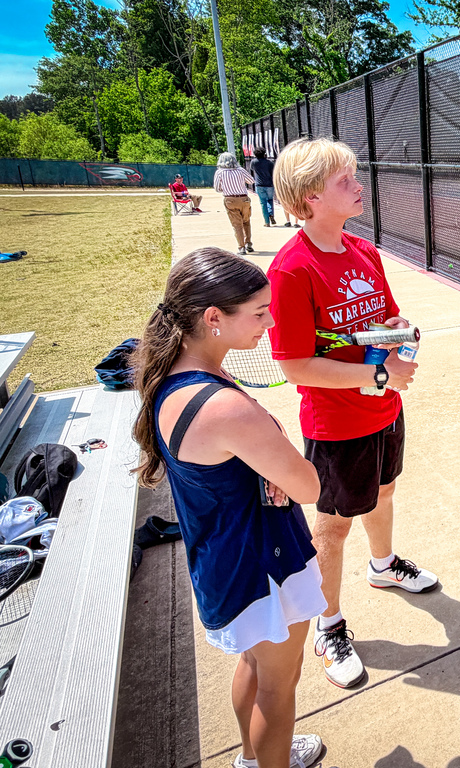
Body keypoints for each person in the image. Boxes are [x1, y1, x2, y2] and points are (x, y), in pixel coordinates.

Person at [131, 247, 329, 768]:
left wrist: (267, 468)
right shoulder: (223, 407)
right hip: (260, 565)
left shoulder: (172, 379)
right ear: (212, 318)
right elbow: (309, 485)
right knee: (278, 690)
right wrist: (282, 467)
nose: (270, 322)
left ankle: (251, 758)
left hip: (224, 562)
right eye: (259, 312)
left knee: (257, 666)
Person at [267, 138, 438, 691]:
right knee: (333, 529)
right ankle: (329, 622)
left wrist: (400, 339)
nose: (360, 185)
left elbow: (382, 320)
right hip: (337, 424)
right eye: (347, 180)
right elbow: (295, 365)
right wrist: (378, 374)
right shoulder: (291, 270)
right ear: (311, 196)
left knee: (385, 493)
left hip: (385, 409)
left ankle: (384, 567)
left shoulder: (364, 252)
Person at [214, 152, 256, 256]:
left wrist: (226, 187)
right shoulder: (241, 170)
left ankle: (241, 247)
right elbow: (251, 181)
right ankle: (248, 243)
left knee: (237, 225)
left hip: (230, 199)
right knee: (246, 221)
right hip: (243, 198)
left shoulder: (220, 172)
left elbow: (217, 188)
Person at [251, 147, 278, 227]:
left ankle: (266, 222)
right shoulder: (270, 163)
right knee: (270, 200)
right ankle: (271, 214)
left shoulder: (254, 162)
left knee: (263, 203)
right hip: (269, 184)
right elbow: (273, 172)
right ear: (264, 154)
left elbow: (252, 170)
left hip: (259, 185)